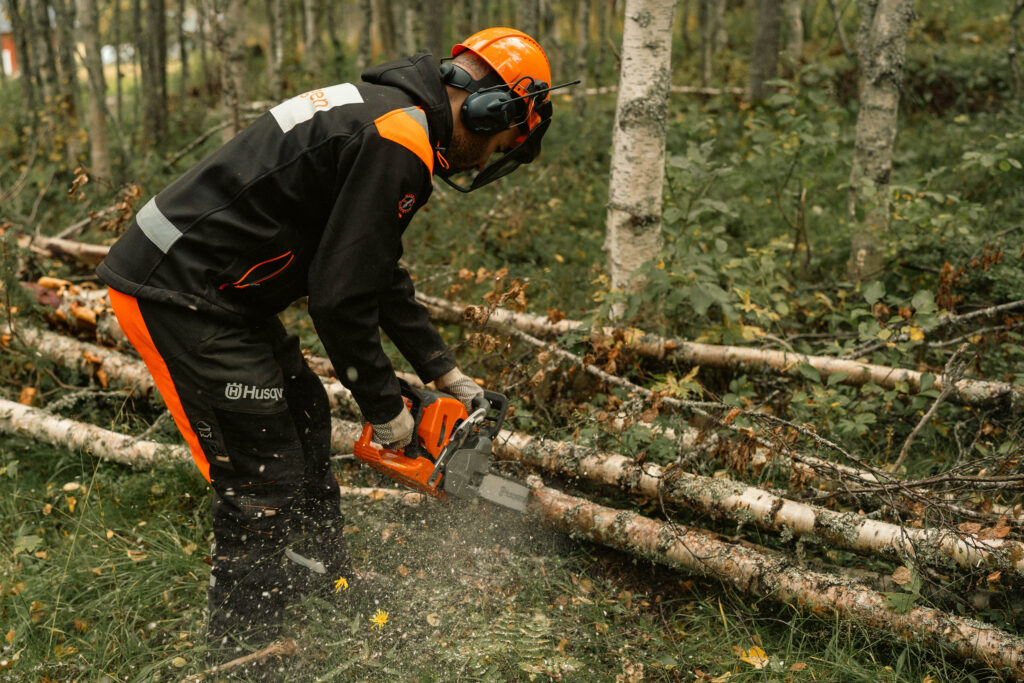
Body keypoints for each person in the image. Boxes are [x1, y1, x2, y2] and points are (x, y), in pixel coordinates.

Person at [96, 27, 559, 648]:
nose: (486, 154)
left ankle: (320, 580)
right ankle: (245, 647)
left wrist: (441, 372)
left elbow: (374, 265)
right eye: (500, 141)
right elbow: (340, 297)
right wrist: (386, 409)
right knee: (263, 472)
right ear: (492, 109)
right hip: (175, 293)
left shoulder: (395, 115)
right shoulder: (400, 137)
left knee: (306, 412)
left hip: (218, 292)